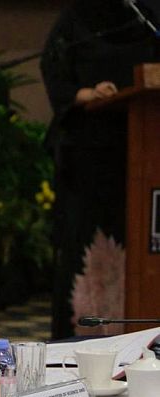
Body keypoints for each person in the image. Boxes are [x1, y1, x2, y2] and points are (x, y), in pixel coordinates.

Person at [41, 0, 160, 339]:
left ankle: (145, 337)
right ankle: (76, 339)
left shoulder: (148, 13)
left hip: (145, 153)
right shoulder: (79, 15)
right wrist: (85, 93)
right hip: (90, 156)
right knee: (84, 243)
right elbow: (52, 65)